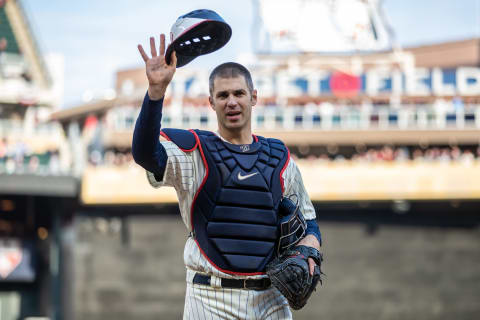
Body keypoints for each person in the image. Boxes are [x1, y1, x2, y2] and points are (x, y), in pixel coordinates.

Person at [132, 34, 322, 319]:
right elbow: (146, 154)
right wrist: (155, 93)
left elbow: (309, 222)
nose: (231, 102)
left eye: (238, 93)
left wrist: (311, 245)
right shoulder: (195, 152)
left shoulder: (279, 158)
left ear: (253, 97)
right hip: (209, 298)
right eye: (223, 95)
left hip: (271, 299)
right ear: (211, 102)